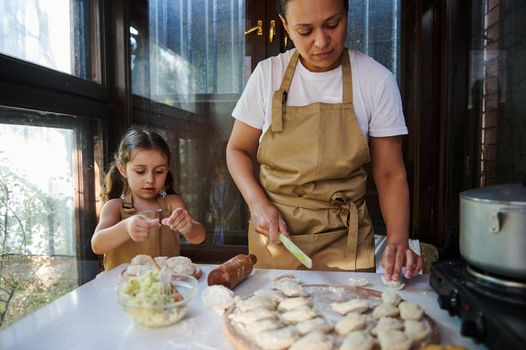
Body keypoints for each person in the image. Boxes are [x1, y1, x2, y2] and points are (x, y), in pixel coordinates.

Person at [226, 0, 423, 281]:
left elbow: (390, 173)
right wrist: (257, 204)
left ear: (347, 15)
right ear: (285, 26)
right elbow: (237, 150)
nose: (321, 41)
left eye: (332, 24)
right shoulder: (267, 75)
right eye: (305, 30)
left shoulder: (375, 80)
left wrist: (398, 240)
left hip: (346, 240)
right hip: (276, 236)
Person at [91, 129, 205, 271]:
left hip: (164, 288)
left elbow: (198, 237)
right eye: (140, 171)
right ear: (123, 169)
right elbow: (97, 245)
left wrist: (188, 227)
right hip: (122, 289)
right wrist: (125, 228)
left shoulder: (172, 203)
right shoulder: (114, 207)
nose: (150, 180)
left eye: (159, 172)